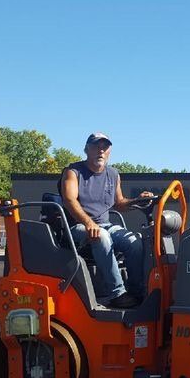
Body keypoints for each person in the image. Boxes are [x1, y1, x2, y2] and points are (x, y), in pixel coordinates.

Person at [61, 132, 153, 309]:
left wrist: (137, 201)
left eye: (105, 147)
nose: (100, 150)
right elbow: (69, 200)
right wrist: (89, 223)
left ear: (109, 151)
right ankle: (117, 293)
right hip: (77, 227)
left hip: (105, 225)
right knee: (102, 236)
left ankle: (135, 291)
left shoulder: (113, 174)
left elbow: (119, 203)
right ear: (86, 149)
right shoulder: (73, 172)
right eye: (96, 146)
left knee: (134, 242)